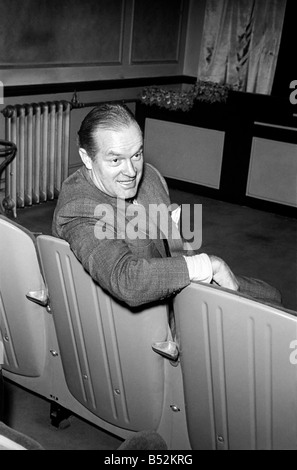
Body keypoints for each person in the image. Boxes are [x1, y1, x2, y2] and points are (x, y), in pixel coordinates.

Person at [52, 103, 281, 308]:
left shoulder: (150, 176)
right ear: (86, 158)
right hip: (136, 311)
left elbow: (176, 246)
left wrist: (202, 274)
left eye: (137, 154)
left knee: (273, 296)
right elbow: (127, 282)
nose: (132, 171)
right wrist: (206, 266)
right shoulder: (79, 208)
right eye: (115, 160)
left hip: (174, 277)